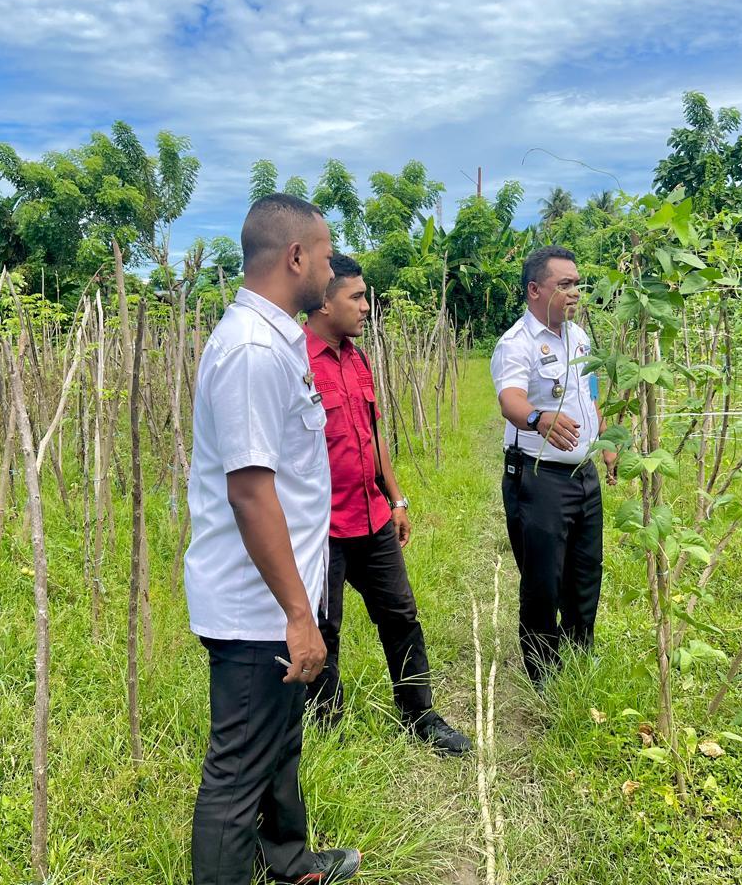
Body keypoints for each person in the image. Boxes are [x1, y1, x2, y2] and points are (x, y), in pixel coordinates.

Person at [185, 194, 360, 885]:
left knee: (278, 743)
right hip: (257, 606)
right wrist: (296, 614)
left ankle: (289, 864)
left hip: (279, 594)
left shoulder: (276, 338)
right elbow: (251, 492)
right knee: (237, 770)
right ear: (295, 257)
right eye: (323, 253)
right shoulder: (255, 352)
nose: (328, 264)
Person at [304, 253, 472, 757]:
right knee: (324, 630)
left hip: (372, 515)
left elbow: (373, 434)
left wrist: (394, 497)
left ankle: (419, 714)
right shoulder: (295, 361)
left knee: (401, 615)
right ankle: (324, 727)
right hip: (321, 528)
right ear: (324, 300)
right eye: (356, 297)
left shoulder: (357, 358)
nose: (366, 308)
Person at [490, 245, 616, 688]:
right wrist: (537, 418)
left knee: (586, 571)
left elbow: (591, 391)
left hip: (583, 474)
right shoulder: (516, 344)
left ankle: (581, 654)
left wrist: (606, 440)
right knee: (544, 579)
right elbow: (511, 398)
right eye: (564, 284)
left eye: (576, 284)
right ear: (535, 289)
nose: (574, 292)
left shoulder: (580, 338)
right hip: (539, 477)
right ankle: (542, 672)